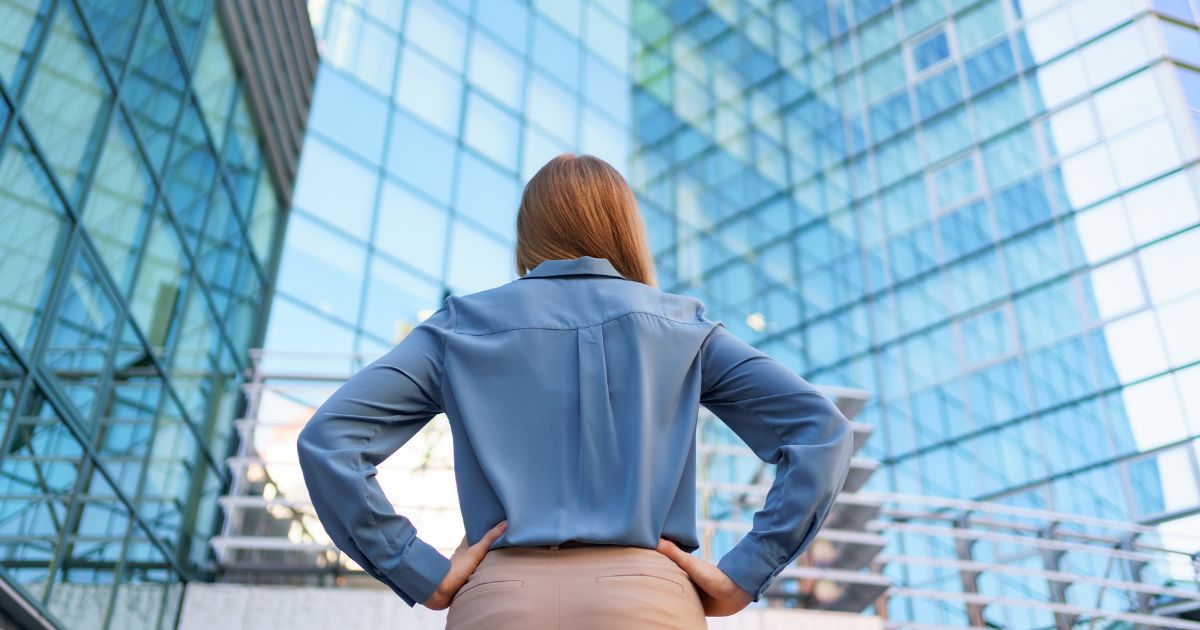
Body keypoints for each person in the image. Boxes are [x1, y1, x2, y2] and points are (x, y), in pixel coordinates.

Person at [295, 153, 855, 629]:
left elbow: (331, 441)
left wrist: (421, 570)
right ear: (624, 228)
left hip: (500, 602)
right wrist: (744, 572)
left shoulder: (457, 327)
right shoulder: (683, 327)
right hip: (648, 599)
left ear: (529, 234)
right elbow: (821, 432)